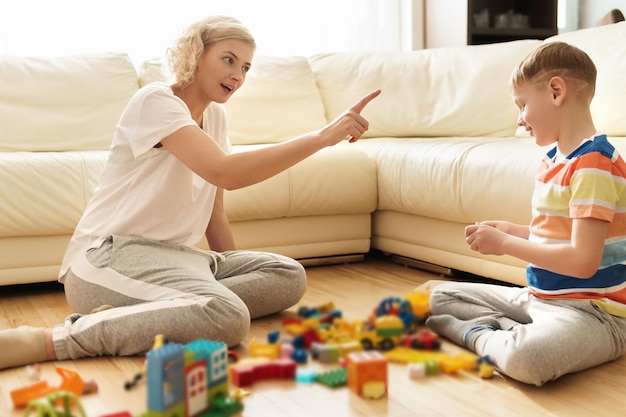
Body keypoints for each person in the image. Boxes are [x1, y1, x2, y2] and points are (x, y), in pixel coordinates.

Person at [0, 15, 380, 370]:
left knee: (286, 274)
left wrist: (230, 264)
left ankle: (152, 311)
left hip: (178, 259)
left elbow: (215, 210)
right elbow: (225, 173)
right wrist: (321, 137)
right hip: (108, 257)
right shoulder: (156, 101)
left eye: (245, 67)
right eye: (228, 60)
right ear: (196, 56)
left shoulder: (215, 117)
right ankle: (52, 340)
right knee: (228, 316)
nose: (238, 75)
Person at [426, 41, 626, 386]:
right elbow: (557, 236)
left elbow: (582, 261)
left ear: (555, 91)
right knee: (439, 295)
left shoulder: (595, 163)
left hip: (594, 315)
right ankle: (507, 332)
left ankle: (478, 335)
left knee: (528, 361)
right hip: (539, 299)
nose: (520, 119)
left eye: (522, 105)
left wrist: (505, 243)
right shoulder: (554, 160)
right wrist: (514, 230)